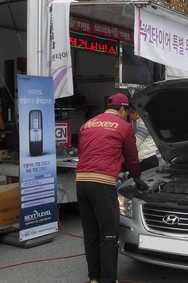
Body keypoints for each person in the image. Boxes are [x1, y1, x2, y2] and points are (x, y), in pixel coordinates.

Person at [76, 93, 149, 283]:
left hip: (81, 182)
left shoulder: (87, 124)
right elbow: (132, 160)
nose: (127, 115)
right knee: (108, 234)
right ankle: (108, 280)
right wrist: (138, 180)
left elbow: (84, 153)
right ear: (123, 109)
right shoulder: (124, 127)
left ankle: (94, 278)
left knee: (91, 233)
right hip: (102, 184)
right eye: (127, 111)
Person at [128, 106, 160, 171]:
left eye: (130, 115)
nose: (130, 118)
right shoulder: (144, 123)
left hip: (147, 159)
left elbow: (135, 143)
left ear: (136, 113)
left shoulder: (143, 125)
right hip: (149, 158)